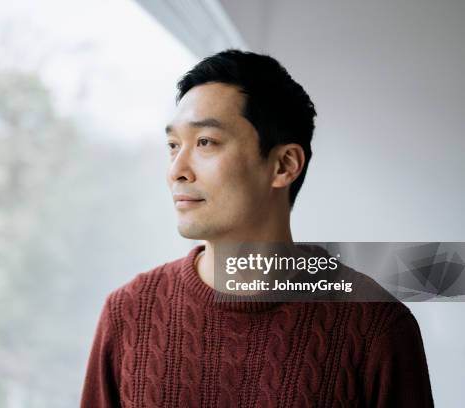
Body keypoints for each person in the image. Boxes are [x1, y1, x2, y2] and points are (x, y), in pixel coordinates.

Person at [81, 50, 434, 407]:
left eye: (205, 142)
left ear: (284, 165)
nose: (177, 169)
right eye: (173, 146)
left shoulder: (377, 328)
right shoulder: (127, 313)